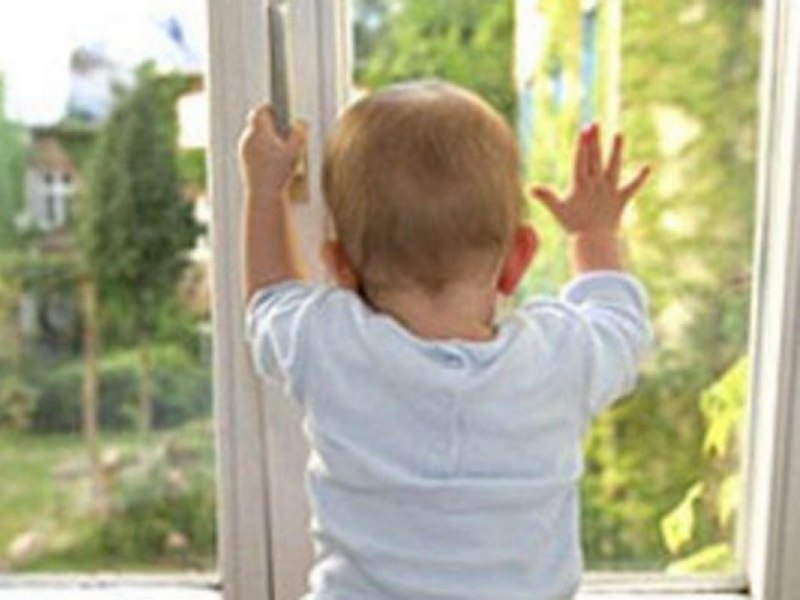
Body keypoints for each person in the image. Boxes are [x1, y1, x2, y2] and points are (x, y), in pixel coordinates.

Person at [240, 80, 652, 600]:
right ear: (519, 259)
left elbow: (270, 299)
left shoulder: (329, 345)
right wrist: (593, 233)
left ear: (341, 266)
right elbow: (619, 321)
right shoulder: (560, 357)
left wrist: (266, 192)